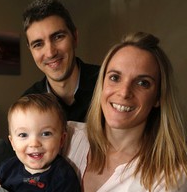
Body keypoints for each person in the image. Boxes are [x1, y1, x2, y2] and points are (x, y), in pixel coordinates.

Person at [63, 32, 187, 191]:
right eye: (115, 78)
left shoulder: (171, 177)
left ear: (158, 98)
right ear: (102, 84)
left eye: (143, 83)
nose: (124, 92)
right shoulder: (66, 137)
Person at [22, 0, 100, 122]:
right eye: (38, 44)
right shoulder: (27, 104)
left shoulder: (108, 84)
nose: (50, 53)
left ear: (74, 38)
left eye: (58, 37)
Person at [0, 93, 81, 192]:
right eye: (23, 135)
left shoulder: (63, 175)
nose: (34, 143)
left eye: (46, 134)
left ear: (61, 140)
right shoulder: (7, 168)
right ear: (12, 143)